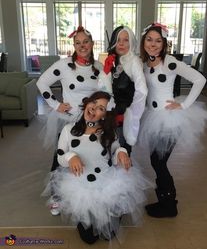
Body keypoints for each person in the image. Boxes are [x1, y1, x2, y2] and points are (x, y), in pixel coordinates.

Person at [42, 91, 151, 244]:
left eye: (101, 108)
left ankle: (114, 211)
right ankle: (94, 214)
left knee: (108, 235)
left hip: (106, 183)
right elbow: (60, 157)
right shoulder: (68, 130)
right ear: (86, 103)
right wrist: (70, 156)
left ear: (105, 115)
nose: (94, 108)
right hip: (81, 186)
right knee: (89, 238)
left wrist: (121, 152)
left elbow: (114, 153)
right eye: (93, 103)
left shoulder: (108, 132)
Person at [137, 22, 207, 218]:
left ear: (164, 43)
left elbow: (199, 80)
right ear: (143, 42)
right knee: (155, 161)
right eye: (149, 40)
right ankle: (164, 201)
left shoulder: (170, 62)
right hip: (152, 116)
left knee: (159, 163)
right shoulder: (145, 63)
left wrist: (183, 105)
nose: (153, 44)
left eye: (158, 40)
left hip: (168, 120)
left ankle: (169, 206)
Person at [37, 26, 104, 215]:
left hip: (91, 121)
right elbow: (42, 82)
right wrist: (55, 104)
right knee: (60, 158)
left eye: (86, 42)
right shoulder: (64, 64)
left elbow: (104, 93)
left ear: (92, 44)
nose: (82, 46)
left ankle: (85, 190)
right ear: (73, 45)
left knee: (89, 155)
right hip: (68, 119)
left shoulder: (98, 67)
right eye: (78, 43)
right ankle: (56, 196)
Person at [99, 25, 148, 155]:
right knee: (109, 151)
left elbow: (142, 90)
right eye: (118, 40)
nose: (121, 44)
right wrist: (106, 72)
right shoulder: (114, 61)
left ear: (131, 42)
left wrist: (133, 114)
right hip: (110, 116)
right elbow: (102, 90)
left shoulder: (134, 61)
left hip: (124, 118)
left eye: (126, 40)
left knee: (123, 153)